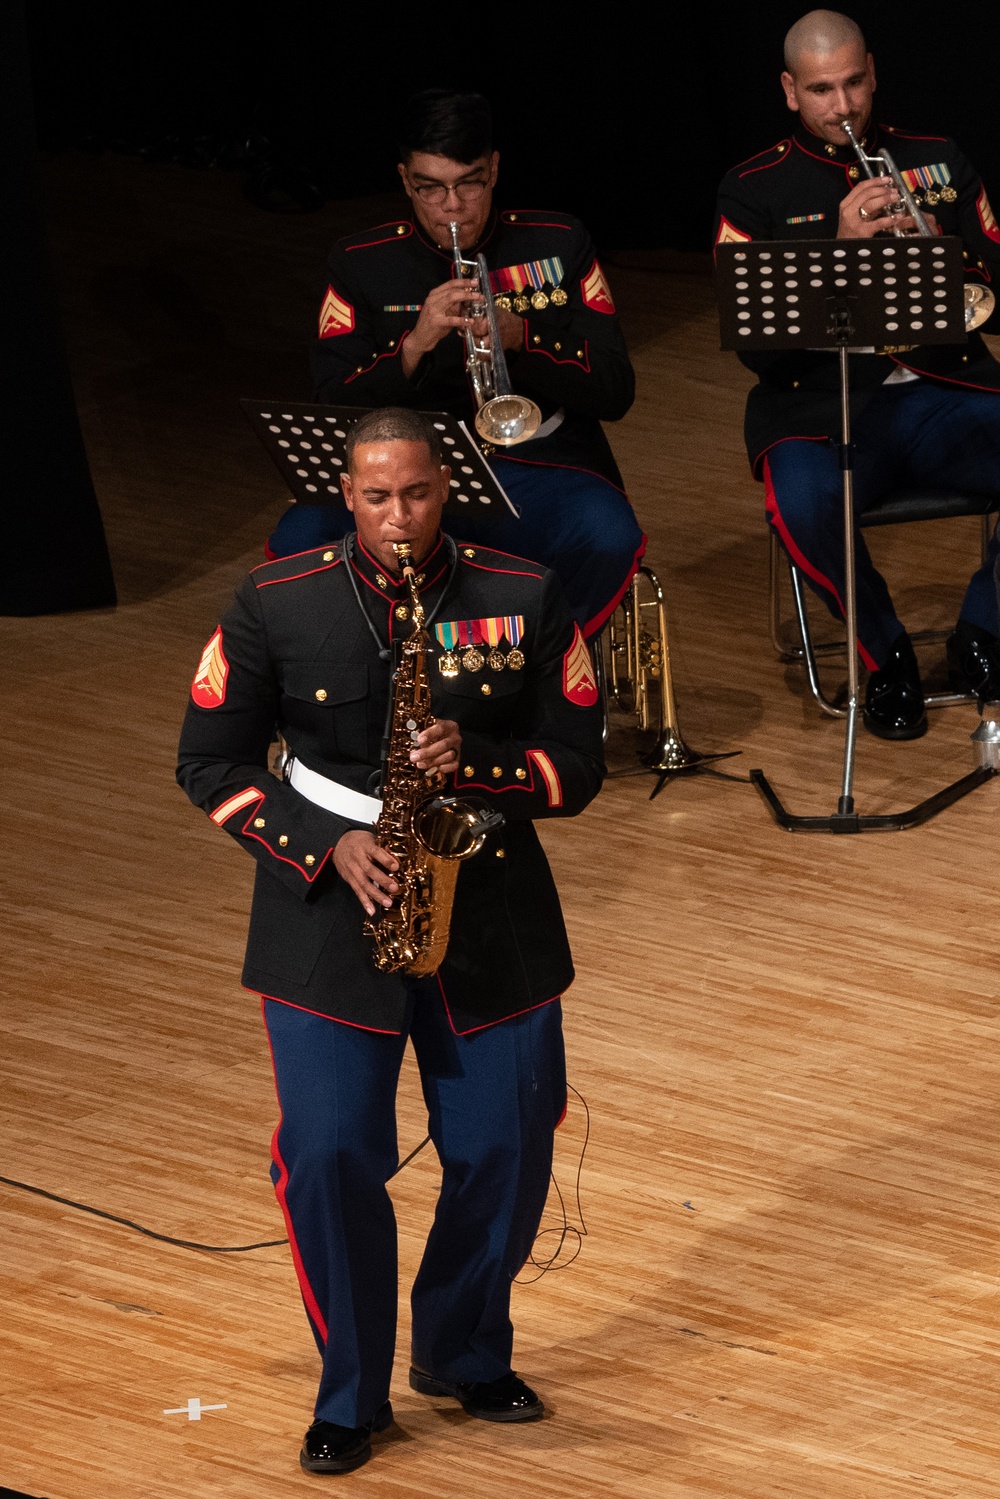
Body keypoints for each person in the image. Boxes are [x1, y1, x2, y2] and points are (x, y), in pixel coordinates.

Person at [176, 406, 604, 1474]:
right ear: (347, 495)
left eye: (415, 493)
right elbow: (210, 763)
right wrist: (324, 846)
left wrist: (480, 764)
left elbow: (579, 759)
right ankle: (351, 1391)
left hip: (487, 903)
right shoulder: (275, 599)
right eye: (376, 497)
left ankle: (462, 1350)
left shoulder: (521, 591)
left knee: (506, 1149)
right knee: (327, 1156)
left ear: (440, 487)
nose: (397, 516)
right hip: (329, 909)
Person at [267, 87, 645, 640]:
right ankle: (370, 677)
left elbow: (615, 390)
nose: (451, 206)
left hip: (534, 464)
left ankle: (544, 670)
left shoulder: (558, 241)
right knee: (301, 535)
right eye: (430, 187)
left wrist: (522, 336)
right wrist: (415, 346)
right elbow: (330, 401)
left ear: (493, 170)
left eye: (468, 182)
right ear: (405, 181)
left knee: (608, 535)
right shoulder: (360, 263)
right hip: (409, 475)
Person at [715, 8, 1000, 737]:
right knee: (803, 506)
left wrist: (947, 252)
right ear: (789, 91)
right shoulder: (753, 189)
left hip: (943, 389)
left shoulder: (936, 156)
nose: (842, 107)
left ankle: (985, 630)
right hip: (823, 407)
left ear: (872, 73)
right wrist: (839, 254)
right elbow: (757, 347)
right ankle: (886, 654)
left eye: (852, 84)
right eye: (820, 90)